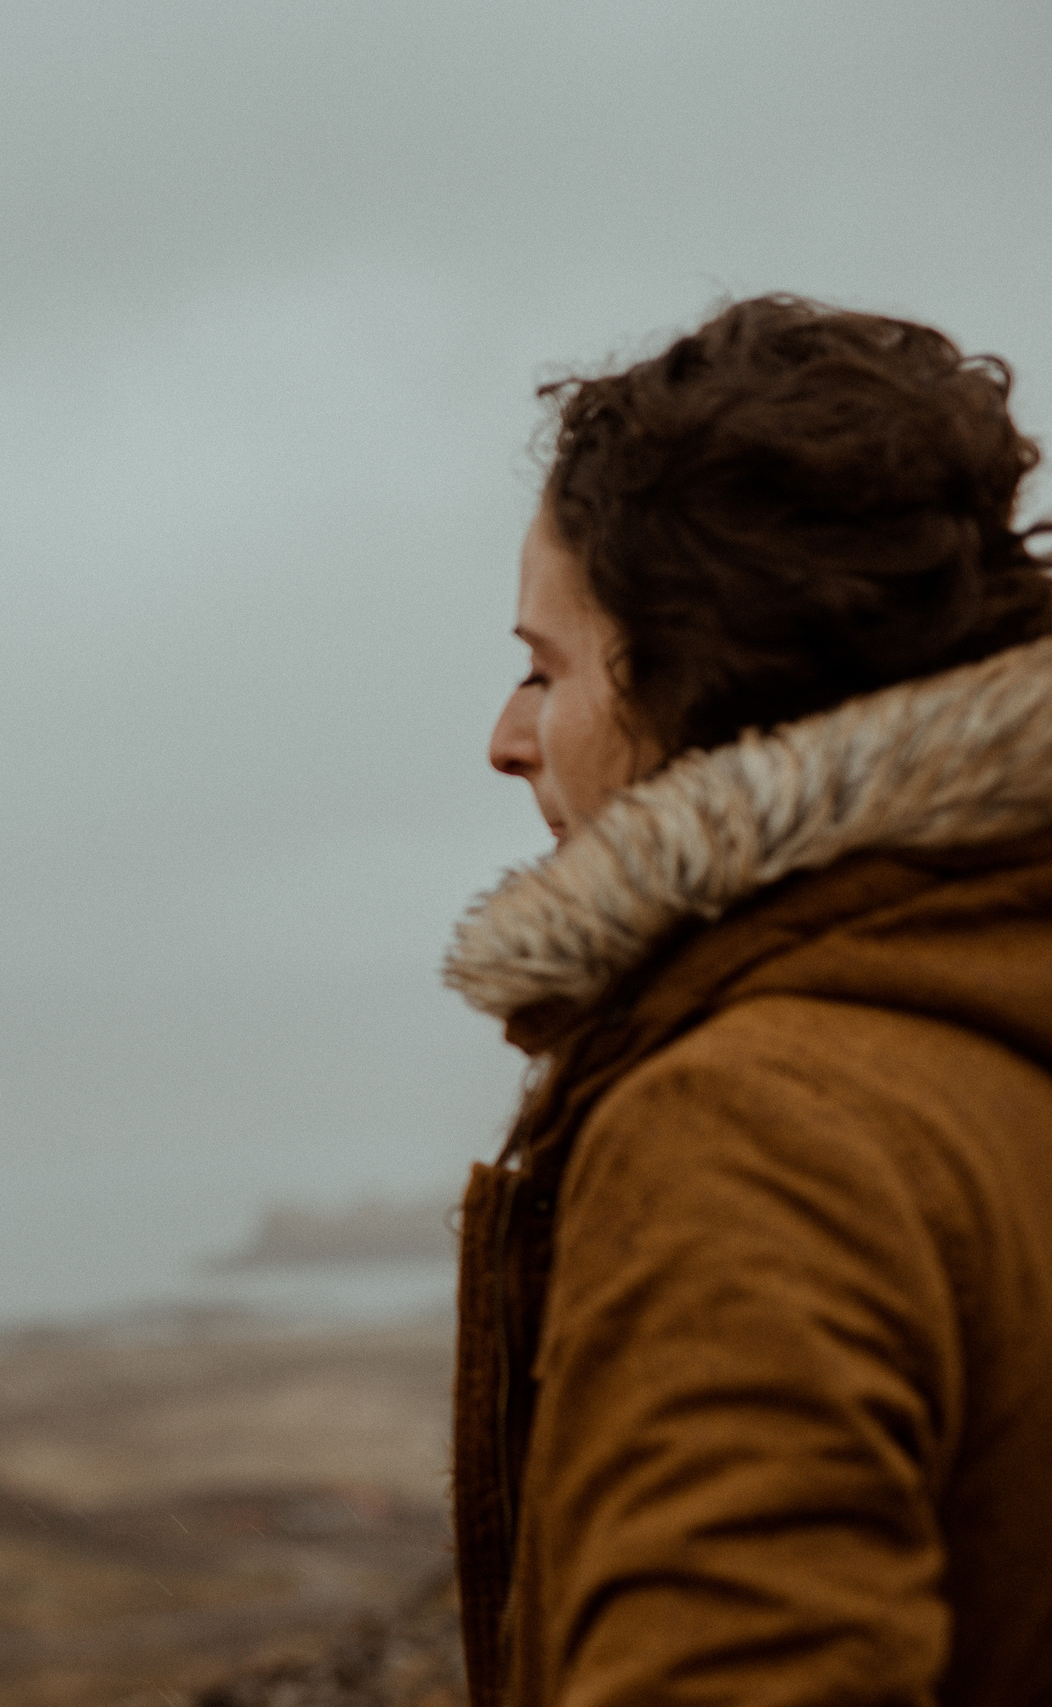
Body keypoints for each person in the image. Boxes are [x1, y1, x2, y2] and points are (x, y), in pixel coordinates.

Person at [446, 295, 1052, 1706]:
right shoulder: (994, 1011)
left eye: (548, 669)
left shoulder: (752, 1128)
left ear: (703, 688)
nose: (505, 737)